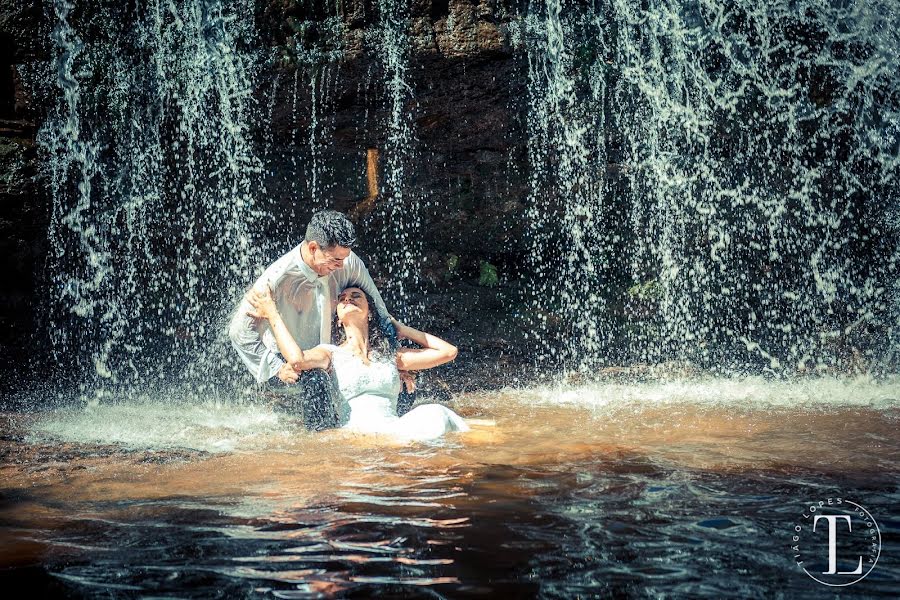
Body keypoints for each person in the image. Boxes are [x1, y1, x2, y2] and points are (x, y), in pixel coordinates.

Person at [228, 210, 401, 431]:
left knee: (398, 368)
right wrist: (276, 368)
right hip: (290, 359)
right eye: (335, 260)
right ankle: (323, 447)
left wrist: (389, 358)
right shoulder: (276, 278)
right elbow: (239, 332)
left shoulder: (348, 262)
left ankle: (399, 435)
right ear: (313, 249)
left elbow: (379, 311)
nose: (342, 266)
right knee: (317, 380)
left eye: (345, 258)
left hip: (338, 351)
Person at [246, 284, 469, 441]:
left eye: (355, 296)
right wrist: (272, 313)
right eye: (342, 299)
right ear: (338, 317)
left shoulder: (391, 357)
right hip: (356, 436)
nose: (348, 299)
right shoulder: (330, 354)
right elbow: (296, 359)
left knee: (437, 413)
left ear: (369, 312)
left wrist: (401, 329)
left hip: (394, 430)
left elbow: (449, 351)